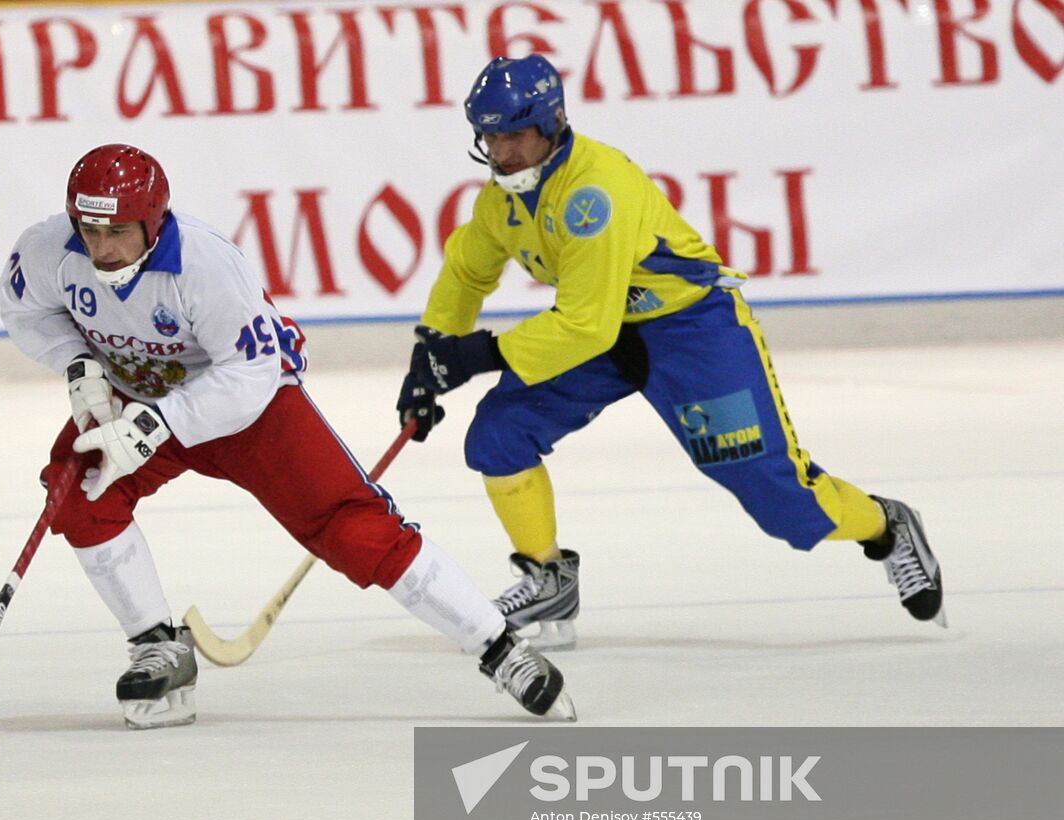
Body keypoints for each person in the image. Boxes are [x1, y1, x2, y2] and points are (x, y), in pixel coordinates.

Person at [0, 144, 576, 728]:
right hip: (138, 391)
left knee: (353, 529)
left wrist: (161, 423)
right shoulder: (49, 249)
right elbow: (26, 310)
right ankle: (157, 646)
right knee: (78, 491)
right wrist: (79, 364)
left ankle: (501, 649)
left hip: (250, 408)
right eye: (89, 229)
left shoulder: (206, 264)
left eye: (117, 231)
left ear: (153, 220)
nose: (101, 249)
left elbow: (249, 371)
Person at [395, 55, 944, 651]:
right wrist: (430, 354)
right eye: (490, 136)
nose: (502, 152)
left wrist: (475, 355)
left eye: (514, 134)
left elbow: (583, 326)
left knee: (778, 500)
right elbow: (468, 273)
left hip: (689, 329)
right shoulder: (502, 199)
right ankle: (548, 575)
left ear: (552, 123)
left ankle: (887, 526)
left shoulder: (594, 191)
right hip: (608, 330)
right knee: (499, 434)